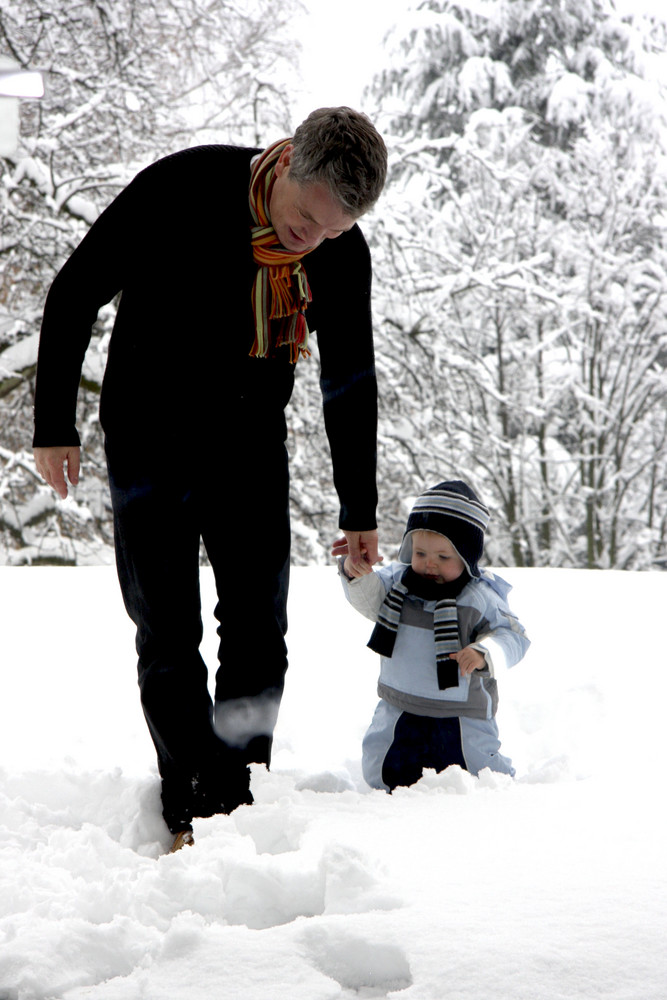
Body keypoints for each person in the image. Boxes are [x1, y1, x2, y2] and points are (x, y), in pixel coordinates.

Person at [33, 107, 387, 850]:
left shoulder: (337, 250)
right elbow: (73, 292)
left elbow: (349, 378)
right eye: (303, 220)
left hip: (250, 443)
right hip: (147, 435)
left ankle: (233, 791)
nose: (309, 241)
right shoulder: (184, 187)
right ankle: (186, 798)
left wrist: (360, 506)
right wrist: (54, 426)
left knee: (259, 631)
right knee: (169, 631)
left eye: (328, 231)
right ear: (287, 165)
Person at [336, 480, 529, 792]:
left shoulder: (478, 598)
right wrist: (354, 571)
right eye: (421, 552)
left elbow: (513, 636)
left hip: (461, 714)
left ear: (466, 556)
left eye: (443, 557)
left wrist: (484, 652)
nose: (429, 564)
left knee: (479, 774)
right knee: (384, 769)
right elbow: (371, 598)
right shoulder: (398, 584)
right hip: (399, 704)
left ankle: (494, 796)